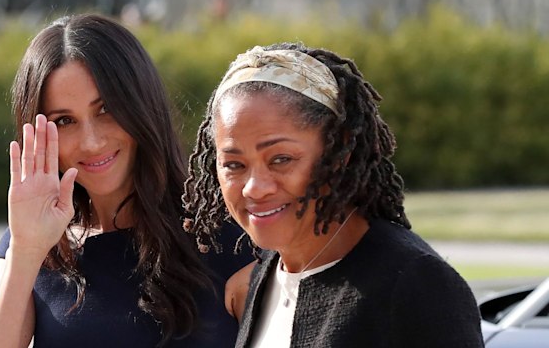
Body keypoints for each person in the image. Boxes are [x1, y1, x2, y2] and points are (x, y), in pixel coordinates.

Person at [0, 13, 252, 348]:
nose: (91, 142)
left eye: (106, 110)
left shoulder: (230, 239)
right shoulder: (32, 243)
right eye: (64, 121)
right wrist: (27, 250)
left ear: (141, 104)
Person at [182, 43, 485, 347]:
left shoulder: (414, 283)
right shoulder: (263, 276)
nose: (254, 187)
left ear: (338, 150)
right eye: (234, 165)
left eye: (281, 159)